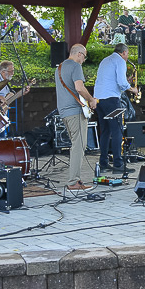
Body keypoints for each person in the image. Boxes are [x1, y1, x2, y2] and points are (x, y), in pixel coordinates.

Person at [55, 44, 98, 191]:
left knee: (75, 145)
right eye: (84, 57)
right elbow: (79, 88)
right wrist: (91, 100)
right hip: (75, 111)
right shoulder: (75, 66)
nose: (84, 60)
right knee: (79, 146)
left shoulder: (59, 67)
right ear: (79, 54)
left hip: (64, 112)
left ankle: (74, 180)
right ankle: (73, 182)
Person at [93, 43, 137, 175]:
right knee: (117, 130)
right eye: (127, 54)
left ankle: (103, 163)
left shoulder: (105, 60)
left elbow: (111, 80)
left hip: (99, 99)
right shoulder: (120, 61)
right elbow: (122, 83)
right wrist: (133, 89)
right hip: (111, 99)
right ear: (123, 52)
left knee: (105, 131)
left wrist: (126, 81)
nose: (127, 57)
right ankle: (118, 164)